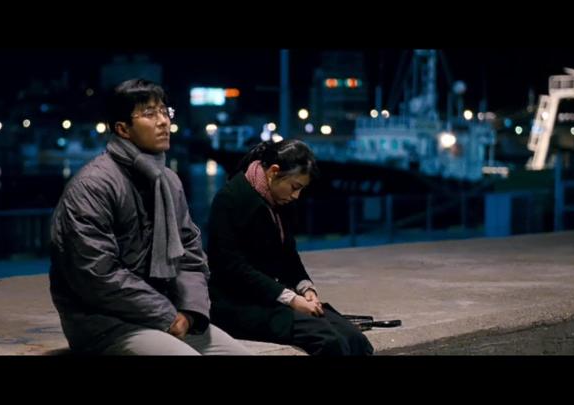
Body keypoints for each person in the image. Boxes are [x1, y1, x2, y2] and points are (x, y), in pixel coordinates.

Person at [49, 78, 250, 355]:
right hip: (105, 323)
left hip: (168, 314)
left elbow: (190, 254)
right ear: (122, 129)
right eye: (149, 114)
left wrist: (189, 311)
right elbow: (96, 273)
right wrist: (166, 315)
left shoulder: (168, 181)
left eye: (165, 112)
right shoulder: (92, 186)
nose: (163, 122)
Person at [207, 139, 374, 356]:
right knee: (329, 340)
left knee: (355, 338)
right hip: (238, 304)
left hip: (274, 299)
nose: (296, 196)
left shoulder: (278, 199)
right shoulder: (230, 199)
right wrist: (291, 298)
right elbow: (232, 267)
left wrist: (306, 288)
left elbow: (289, 256)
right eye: (295, 187)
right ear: (273, 172)